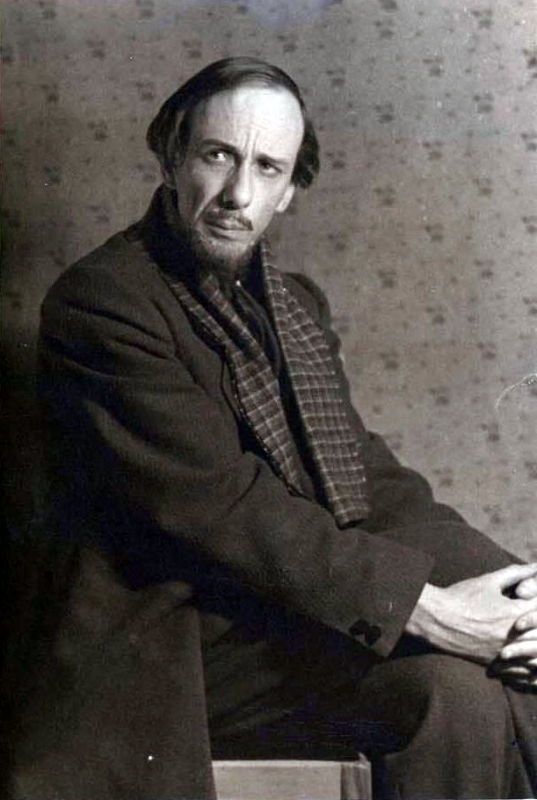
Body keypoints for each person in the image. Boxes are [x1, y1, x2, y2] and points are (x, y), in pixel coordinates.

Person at [9, 57, 537, 800]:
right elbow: (225, 508)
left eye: (266, 167)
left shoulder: (290, 304)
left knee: (463, 694)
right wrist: (435, 611)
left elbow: (361, 476)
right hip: (170, 638)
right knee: (470, 665)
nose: (238, 194)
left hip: (278, 610)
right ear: (172, 158)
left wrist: (519, 597)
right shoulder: (103, 303)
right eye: (218, 155)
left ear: (289, 190)